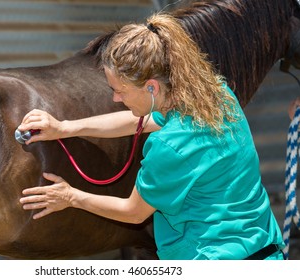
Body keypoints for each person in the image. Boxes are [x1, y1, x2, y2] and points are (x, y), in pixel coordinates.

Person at [18, 13, 284, 260]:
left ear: (152, 87)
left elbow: (133, 212)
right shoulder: (216, 94)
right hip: (266, 249)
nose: (115, 99)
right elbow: (139, 121)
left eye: (120, 91)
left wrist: (70, 197)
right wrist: (64, 127)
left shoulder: (170, 146)